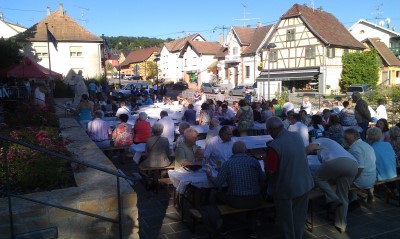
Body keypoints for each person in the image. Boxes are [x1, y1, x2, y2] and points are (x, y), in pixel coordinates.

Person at [203, 141, 266, 238]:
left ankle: (221, 225)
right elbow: (263, 179)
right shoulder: (254, 161)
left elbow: (218, 183)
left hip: (236, 201)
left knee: (216, 195)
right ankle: (252, 229)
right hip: (255, 200)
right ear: (245, 150)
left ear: (232, 151)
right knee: (251, 198)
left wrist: (210, 177)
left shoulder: (228, 164)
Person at [265, 117, 314, 239]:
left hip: (287, 188)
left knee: (286, 219)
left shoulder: (275, 145)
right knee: (300, 216)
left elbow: (270, 171)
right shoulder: (296, 136)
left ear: (272, 130)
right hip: (305, 183)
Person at [306, 138, 358, 233]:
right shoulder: (333, 145)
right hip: (353, 164)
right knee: (343, 195)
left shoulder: (319, 140)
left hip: (336, 161)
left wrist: (300, 154)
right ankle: (341, 225)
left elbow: (308, 149)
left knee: (317, 178)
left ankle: (333, 198)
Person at [344, 128, 376, 205]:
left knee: (340, 180)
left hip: (363, 180)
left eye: (346, 138)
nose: (345, 140)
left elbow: (360, 167)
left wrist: (351, 179)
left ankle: (342, 203)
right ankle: (354, 198)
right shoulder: (366, 145)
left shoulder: (355, 148)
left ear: (354, 137)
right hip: (372, 178)